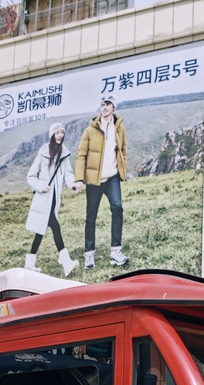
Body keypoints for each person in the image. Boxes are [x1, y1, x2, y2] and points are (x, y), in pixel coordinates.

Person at [74, 95, 129, 269]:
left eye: (108, 105)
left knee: (117, 208)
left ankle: (115, 252)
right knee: (91, 216)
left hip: (112, 178)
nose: (104, 107)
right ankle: (89, 255)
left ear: (113, 108)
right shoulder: (90, 130)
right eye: (102, 105)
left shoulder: (119, 128)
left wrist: (122, 170)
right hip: (94, 181)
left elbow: (123, 150)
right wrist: (79, 179)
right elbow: (81, 154)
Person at [24, 122, 81, 276]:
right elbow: (30, 176)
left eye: (62, 133)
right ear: (52, 135)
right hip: (43, 199)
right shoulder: (43, 154)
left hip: (54, 199)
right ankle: (65, 261)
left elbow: (68, 174)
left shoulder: (64, 154)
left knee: (40, 231)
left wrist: (74, 185)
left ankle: (30, 263)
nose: (60, 135)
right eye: (57, 133)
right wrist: (41, 186)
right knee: (54, 227)